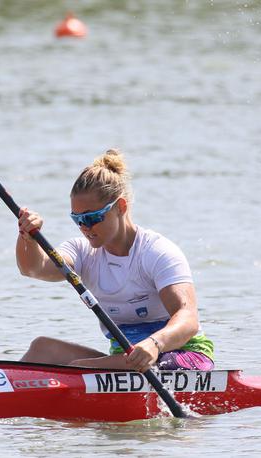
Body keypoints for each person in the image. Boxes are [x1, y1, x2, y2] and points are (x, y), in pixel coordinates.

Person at [16, 148, 214, 373]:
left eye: (92, 217)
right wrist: (27, 236)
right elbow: (34, 269)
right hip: (126, 360)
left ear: (121, 207)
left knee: (80, 368)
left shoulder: (157, 252)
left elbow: (188, 318)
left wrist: (154, 344)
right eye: (77, 220)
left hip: (181, 355)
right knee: (42, 349)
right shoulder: (81, 252)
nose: (85, 228)